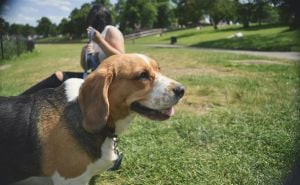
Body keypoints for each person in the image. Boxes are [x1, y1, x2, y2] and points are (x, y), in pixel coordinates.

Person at [21, 4, 125, 95]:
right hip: (95, 77)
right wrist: (84, 52)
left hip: (109, 81)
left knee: (60, 77)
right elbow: (86, 67)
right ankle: (20, 99)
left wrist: (100, 41)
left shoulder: (110, 30)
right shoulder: (96, 36)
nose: (91, 25)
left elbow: (122, 59)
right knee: (59, 76)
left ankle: (19, 100)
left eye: (93, 21)